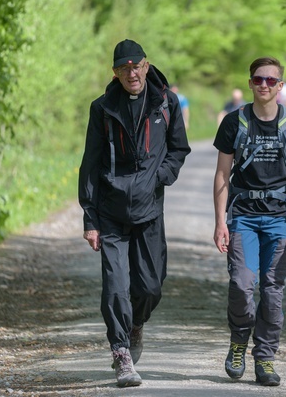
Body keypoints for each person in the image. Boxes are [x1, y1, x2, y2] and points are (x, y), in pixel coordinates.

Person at [78, 39, 191, 387]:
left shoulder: (166, 102)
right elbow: (91, 163)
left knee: (150, 287)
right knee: (115, 285)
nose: (132, 72)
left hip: (149, 208)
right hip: (110, 211)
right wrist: (90, 218)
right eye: (124, 67)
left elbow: (178, 148)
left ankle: (136, 324)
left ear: (146, 65)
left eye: (136, 65)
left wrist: (160, 176)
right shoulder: (102, 108)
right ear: (115, 72)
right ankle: (121, 353)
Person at [213, 56, 286, 387]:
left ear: (280, 86)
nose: (264, 85)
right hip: (243, 217)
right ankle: (238, 342)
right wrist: (220, 222)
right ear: (250, 83)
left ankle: (266, 358)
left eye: (271, 81)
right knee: (242, 286)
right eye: (259, 79)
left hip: (279, 219)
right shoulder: (234, 122)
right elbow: (221, 175)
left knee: (272, 292)